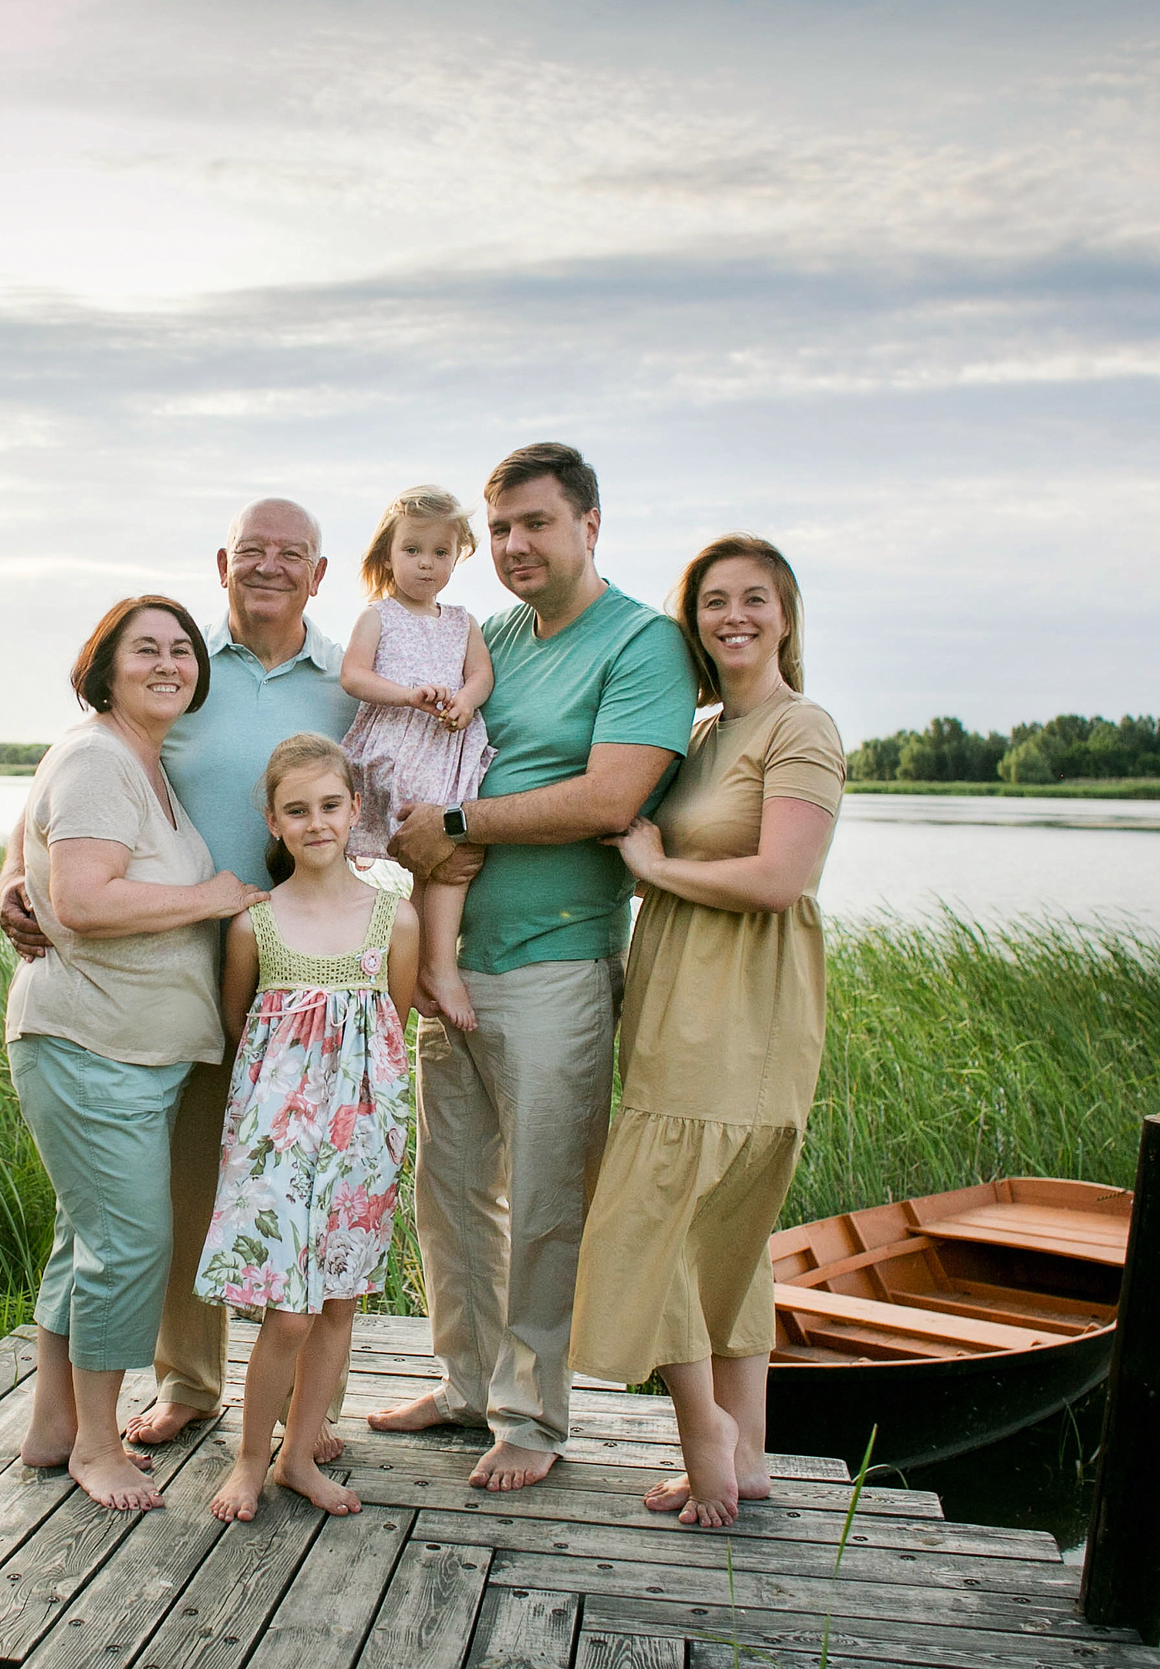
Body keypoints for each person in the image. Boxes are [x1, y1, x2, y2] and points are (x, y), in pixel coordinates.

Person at [0, 500, 359, 1450]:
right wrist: (11, 874)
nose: (270, 566)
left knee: (302, 1184)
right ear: (223, 564)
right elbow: (56, 795)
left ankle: (299, 1407)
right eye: (252, 551)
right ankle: (187, 1382)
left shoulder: (349, 682)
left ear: (319, 574)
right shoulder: (180, 673)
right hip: (175, 981)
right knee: (173, 1198)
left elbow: (389, 792)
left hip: (304, 978)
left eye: (291, 554)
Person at [375, 443, 698, 1492]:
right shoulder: (493, 636)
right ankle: (465, 1384)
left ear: (589, 524)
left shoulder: (644, 643)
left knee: (547, 1201)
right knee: (450, 1192)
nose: (515, 545)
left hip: (557, 964)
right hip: (450, 961)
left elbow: (611, 797)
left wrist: (455, 824)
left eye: (536, 523)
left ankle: (530, 1417)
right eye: (502, 527)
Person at [572, 535, 844, 1527]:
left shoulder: (800, 728)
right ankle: (752, 1454)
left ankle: (709, 1447)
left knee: (658, 1221)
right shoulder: (698, 733)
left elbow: (780, 879)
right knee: (726, 1237)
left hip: (743, 1007)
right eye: (713, 600)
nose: (733, 615)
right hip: (676, 995)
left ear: (785, 615)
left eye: (753, 598)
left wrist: (654, 870)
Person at [4, 595, 267, 1511]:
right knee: (130, 1244)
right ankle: (95, 1445)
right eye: (145, 648)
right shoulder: (98, 757)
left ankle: (52, 1425)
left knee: (85, 1241)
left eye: (182, 649)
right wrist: (214, 898)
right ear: (105, 668)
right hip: (88, 1045)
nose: (168, 663)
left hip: (130, 1051)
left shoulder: (140, 762)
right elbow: (82, 899)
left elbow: (49, 851)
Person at [196, 733, 420, 1522]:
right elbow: (240, 1024)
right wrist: (287, 1103)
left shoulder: (394, 919)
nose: (316, 822)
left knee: (336, 1304)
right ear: (274, 820)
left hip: (360, 1141)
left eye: (330, 805)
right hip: (276, 1142)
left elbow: (393, 1021)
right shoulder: (256, 923)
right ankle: (249, 1459)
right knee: (287, 1310)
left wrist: (358, 1115)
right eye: (297, 810)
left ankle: (298, 1456)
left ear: (356, 809)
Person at [338, 486, 495, 1031]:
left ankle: (432, 965)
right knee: (436, 856)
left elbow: (481, 674)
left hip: (444, 749)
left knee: (444, 859)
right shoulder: (378, 616)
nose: (426, 563)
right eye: (412, 550)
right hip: (396, 749)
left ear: (457, 557)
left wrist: (465, 701)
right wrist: (407, 695)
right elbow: (353, 676)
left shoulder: (462, 621)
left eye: (440, 552)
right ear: (388, 555)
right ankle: (425, 969)